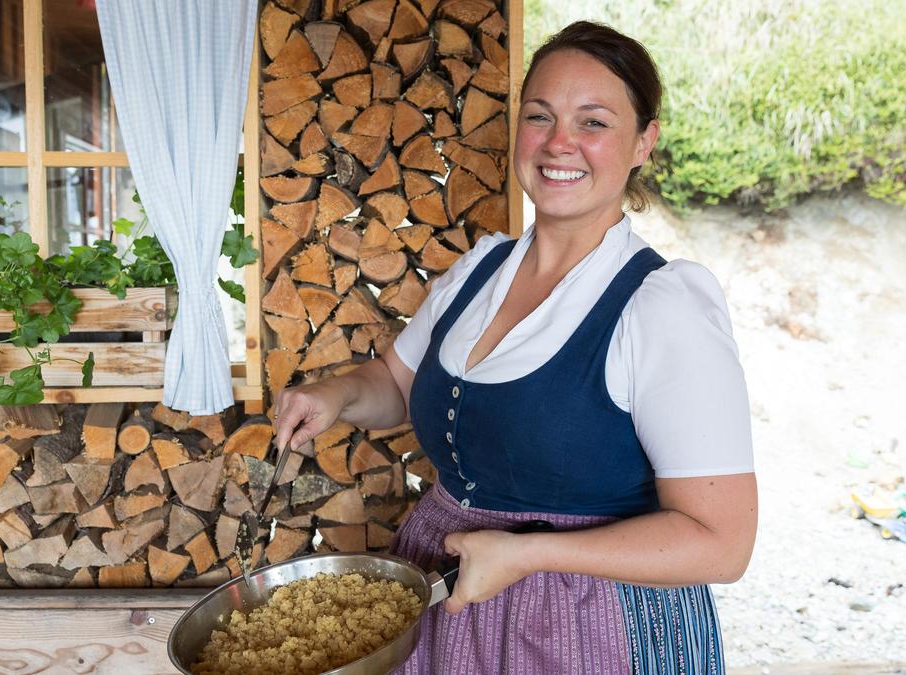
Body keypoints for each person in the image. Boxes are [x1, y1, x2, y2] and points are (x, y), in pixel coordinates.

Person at [274, 20, 757, 674]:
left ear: (644, 141)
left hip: (591, 628)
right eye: (541, 116)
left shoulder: (662, 306)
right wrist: (331, 394)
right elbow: (395, 383)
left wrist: (528, 553)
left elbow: (721, 543)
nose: (560, 143)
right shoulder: (480, 271)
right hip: (449, 608)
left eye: (594, 122)